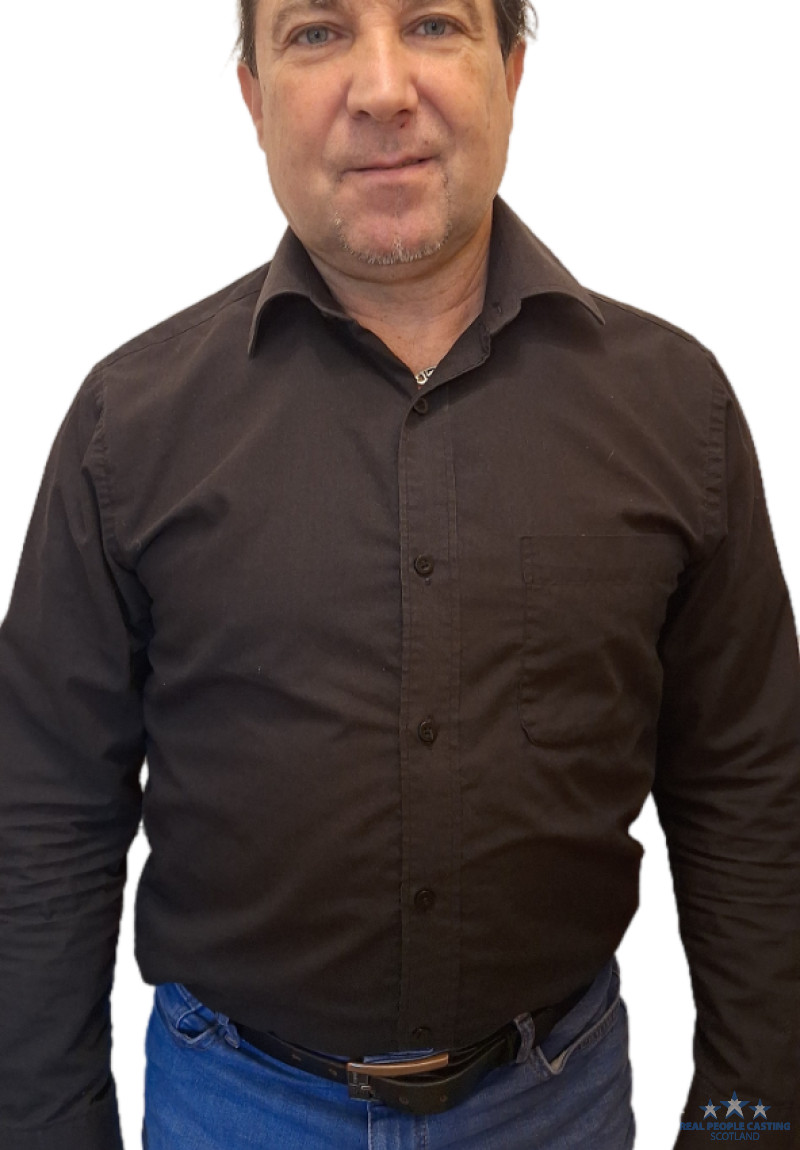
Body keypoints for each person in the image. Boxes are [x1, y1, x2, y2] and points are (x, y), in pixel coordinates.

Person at [1, 0, 798, 1147]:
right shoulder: (127, 428)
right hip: (231, 1108)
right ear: (252, 97)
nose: (381, 90)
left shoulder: (677, 410)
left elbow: (749, 790)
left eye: (430, 23)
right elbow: (42, 812)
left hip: (557, 1101)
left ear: (509, 71)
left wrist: (749, 1113)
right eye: (316, 33)